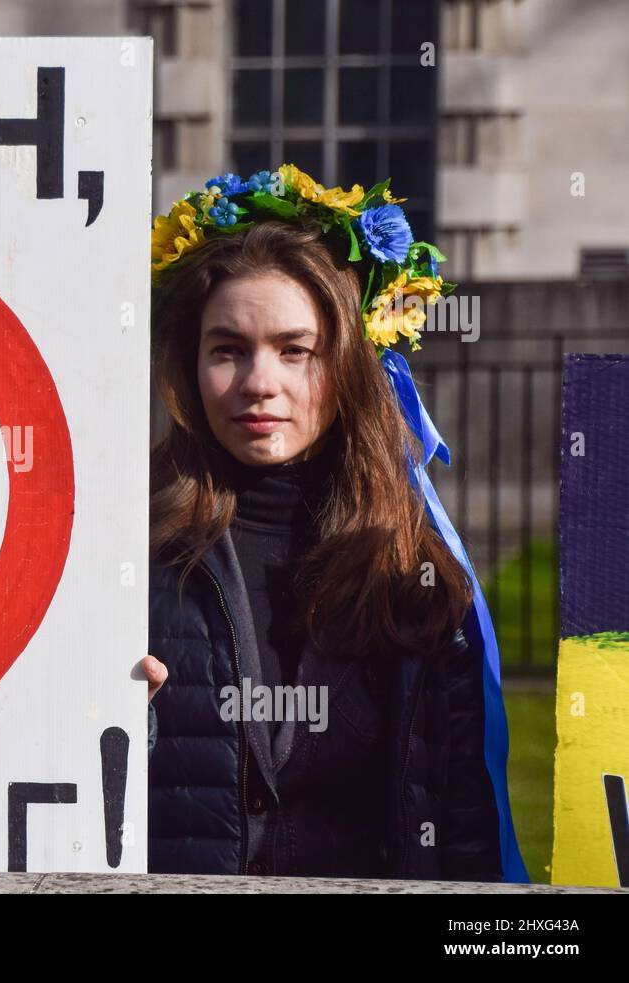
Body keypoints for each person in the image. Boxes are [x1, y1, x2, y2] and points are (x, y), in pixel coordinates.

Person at [141, 167, 527, 882]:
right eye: (227, 348)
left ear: (345, 363)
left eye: (296, 349)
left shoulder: (411, 570)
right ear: (190, 365)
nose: (261, 381)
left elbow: (465, 835)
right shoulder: (129, 557)